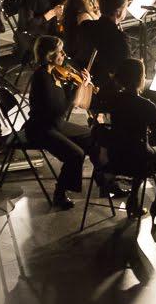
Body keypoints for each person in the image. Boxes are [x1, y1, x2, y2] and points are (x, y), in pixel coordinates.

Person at [26, 35, 116, 210]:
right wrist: (75, 89)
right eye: (60, 52)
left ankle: (106, 183)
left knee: (93, 136)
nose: (64, 55)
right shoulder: (42, 78)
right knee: (76, 154)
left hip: (56, 124)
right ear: (50, 56)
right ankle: (59, 194)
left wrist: (81, 84)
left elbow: (62, 109)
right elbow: (59, 109)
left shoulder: (54, 74)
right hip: (41, 128)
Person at [90, 57, 156, 223]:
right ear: (140, 79)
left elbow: (96, 120)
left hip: (114, 160)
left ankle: (133, 199)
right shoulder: (148, 106)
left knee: (139, 149)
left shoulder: (112, 100)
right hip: (138, 163)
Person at [68, 0, 134, 82]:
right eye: (125, 7)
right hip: (106, 88)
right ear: (118, 12)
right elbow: (126, 71)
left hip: (81, 78)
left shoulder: (85, 26)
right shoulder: (120, 39)